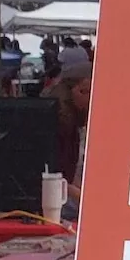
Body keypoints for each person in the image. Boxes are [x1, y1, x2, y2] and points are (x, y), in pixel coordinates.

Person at [40, 61, 91, 190]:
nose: (91, 98)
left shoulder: (74, 122)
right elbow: (60, 178)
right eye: (87, 91)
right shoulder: (61, 126)